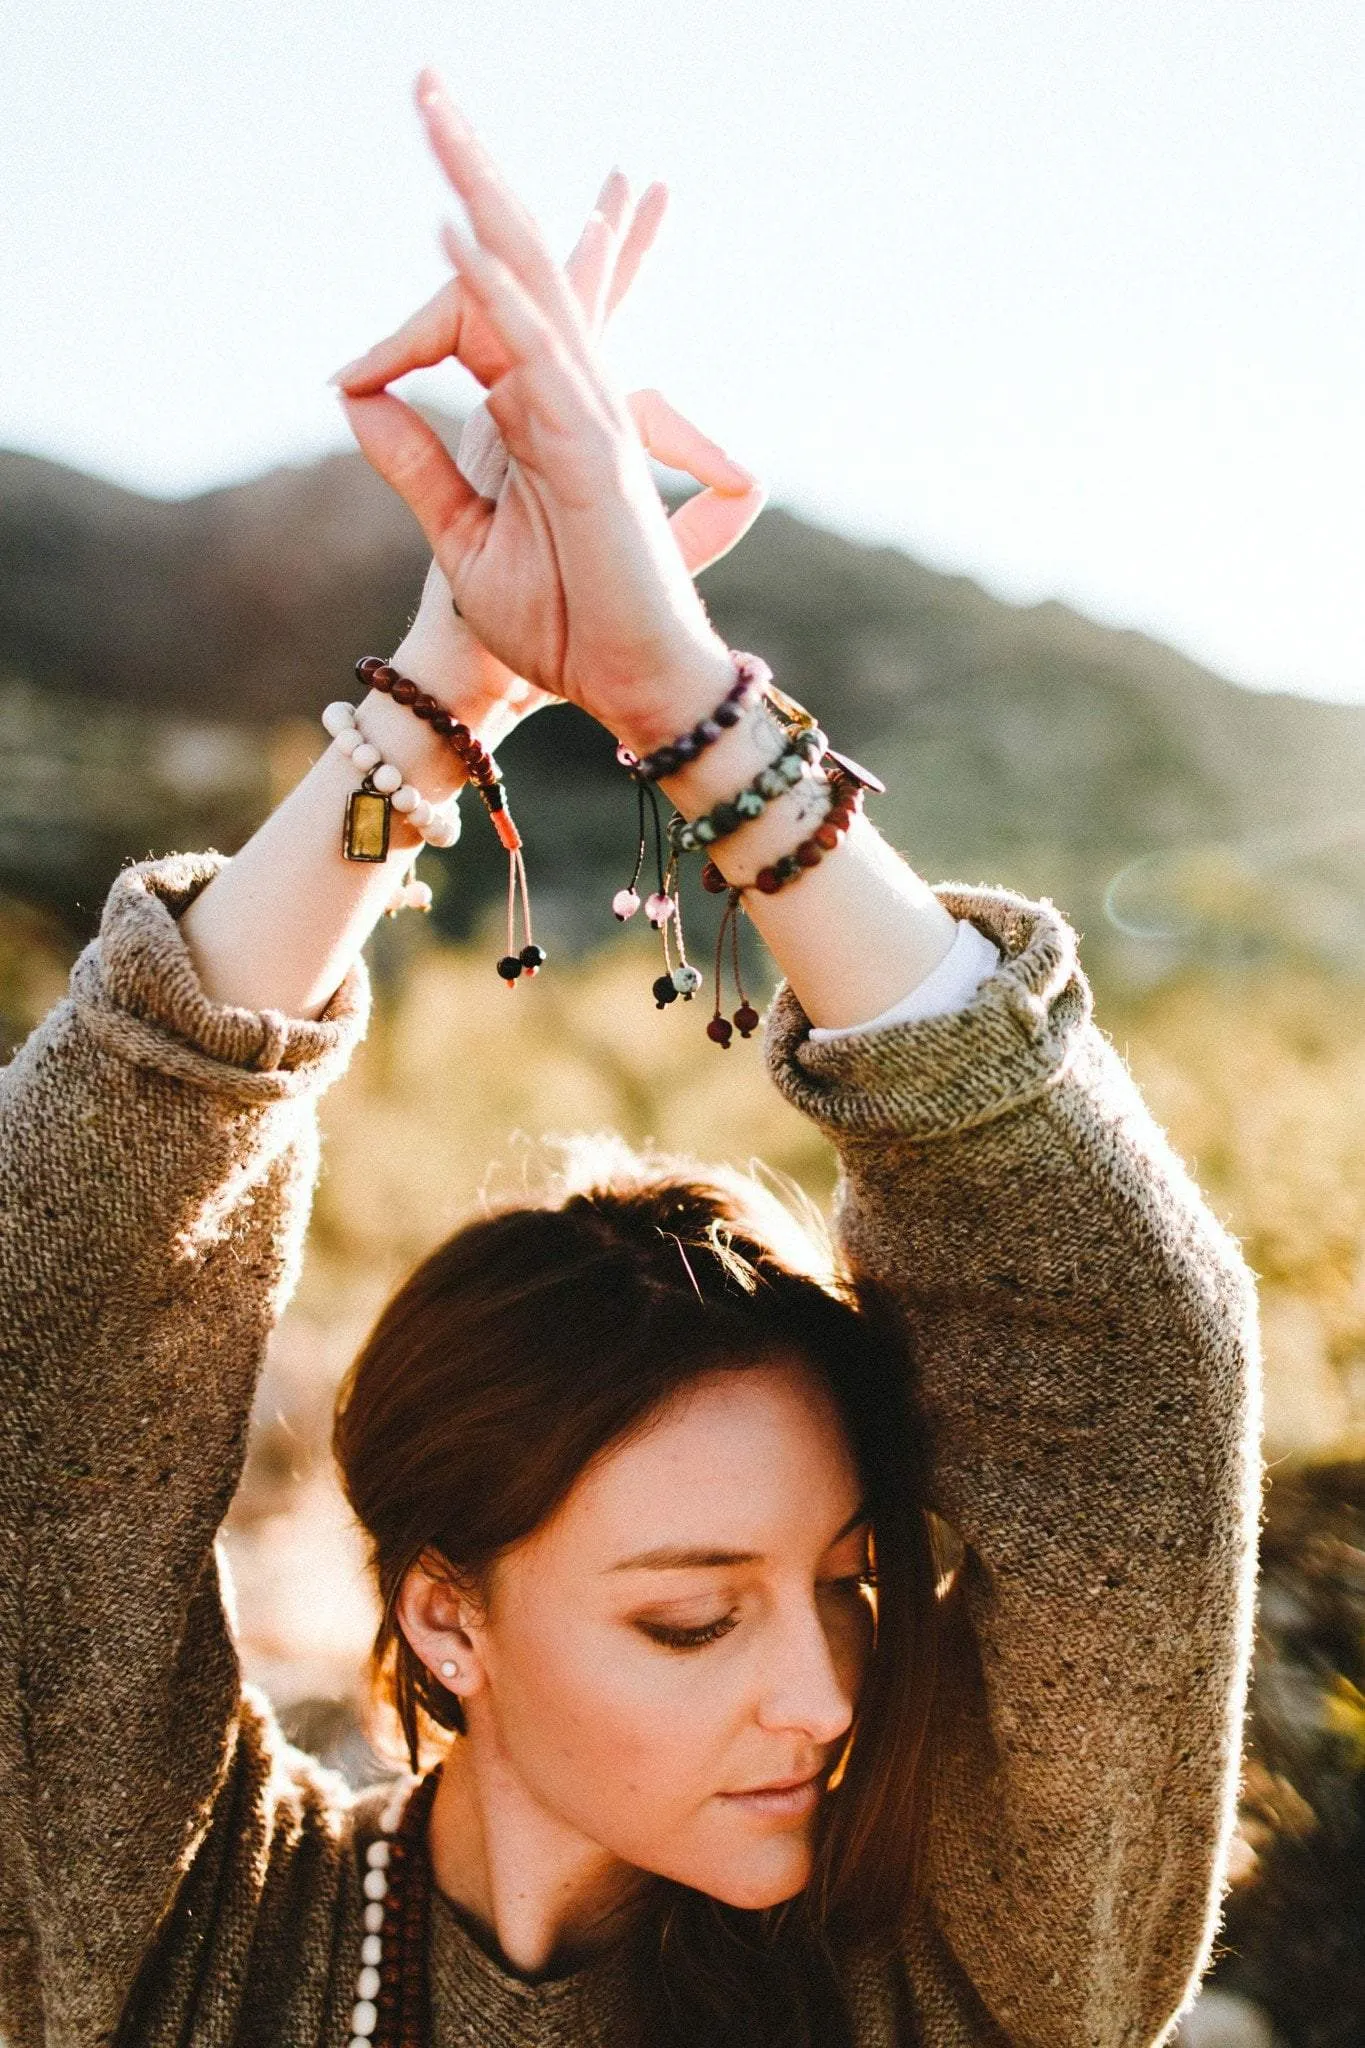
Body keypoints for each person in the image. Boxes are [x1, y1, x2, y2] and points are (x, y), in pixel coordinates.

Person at [0, 69, 1262, 2048]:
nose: (828, 1696)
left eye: (852, 1581)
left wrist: (686, 700)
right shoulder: (169, 1944)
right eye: (695, 1610)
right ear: (440, 1616)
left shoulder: (947, 1979)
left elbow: (1129, 1382)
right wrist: (423, 714)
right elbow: (57, 1313)